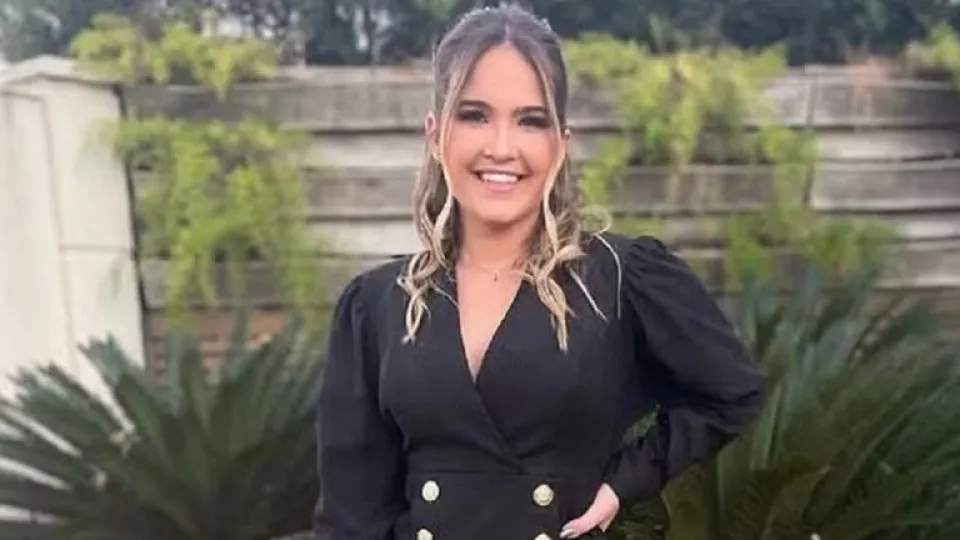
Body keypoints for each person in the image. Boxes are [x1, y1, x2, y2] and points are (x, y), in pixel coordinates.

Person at [313, 4, 765, 540]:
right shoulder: (377, 306)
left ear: (560, 143)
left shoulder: (619, 280)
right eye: (474, 115)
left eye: (531, 120)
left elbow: (730, 393)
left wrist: (625, 481)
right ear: (435, 135)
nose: (502, 148)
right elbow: (350, 518)